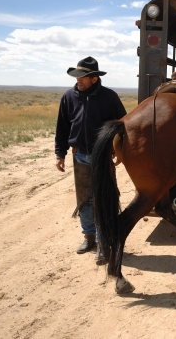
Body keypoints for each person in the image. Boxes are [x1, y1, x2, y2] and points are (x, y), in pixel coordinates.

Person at [54, 56, 127, 264]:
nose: (79, 80)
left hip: (102, 156)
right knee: (85, 199)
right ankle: (89, 237)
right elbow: (62, 127)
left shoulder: (109, 97)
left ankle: (105, 242)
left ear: (94, 78)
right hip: (80, 155)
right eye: (77, 76)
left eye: (83, 77)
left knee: (104, 199)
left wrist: (119, 151)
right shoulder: (69, 97)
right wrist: (60, 153)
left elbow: (122, 125)